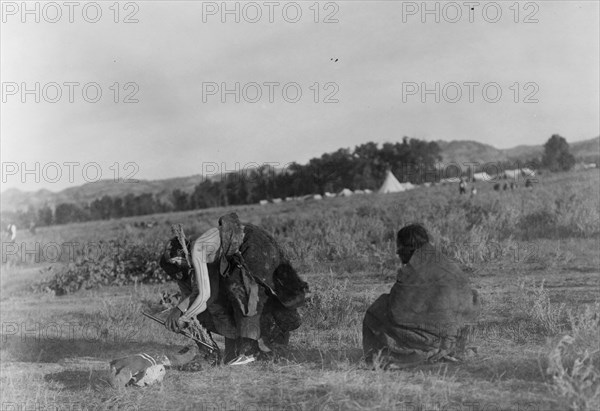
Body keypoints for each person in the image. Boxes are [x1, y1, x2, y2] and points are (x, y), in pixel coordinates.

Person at [159, 213, 309, 366]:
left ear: (177, 259)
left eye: (179, 266)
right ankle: (252, 348)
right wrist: (183, 313)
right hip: (252, 243)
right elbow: (211, 295)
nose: (184, 271)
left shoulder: (198, 249)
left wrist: (185, 317)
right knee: (236, 293)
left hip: (251, 243)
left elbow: (204, 295)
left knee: (242, 291)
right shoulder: (206, 255)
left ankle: (250, 350)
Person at [362, 224, 480, 368]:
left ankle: (387, 357)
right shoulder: (445, 263)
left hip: (434, 339)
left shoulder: (412, 271)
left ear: (408, 247)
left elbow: (396, 311)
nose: (397, 252)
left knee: (377, 310)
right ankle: (447, 350)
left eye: (399, 246)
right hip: (458, 337)